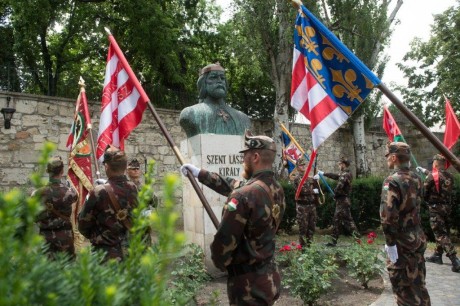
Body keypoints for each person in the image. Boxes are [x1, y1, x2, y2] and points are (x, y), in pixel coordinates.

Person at [180, 130, 286, 305]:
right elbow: (234, 185)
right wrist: (200, 173)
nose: (243, 160)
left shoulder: (243, 196)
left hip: (248, 286)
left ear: (256, 157)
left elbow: (223, 242)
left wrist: (222, 263)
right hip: (269, 277)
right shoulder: (276, 188)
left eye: (245, 156)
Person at [380, 142, 431, 305]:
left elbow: (388, 217)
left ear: (394, 158)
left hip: (402, 243)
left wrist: (390, 243)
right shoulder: (417, 178)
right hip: (417, 239)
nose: (387, 159)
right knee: (419, 287)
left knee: (405, 292)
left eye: (388, 156)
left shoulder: (392, 181)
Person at [78, 146, 138, 261]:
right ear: (125, 167)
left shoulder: (99, 191)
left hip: (104, 254)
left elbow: (83, 224)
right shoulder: (134, 188)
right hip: (128, 253)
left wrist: (98, 237)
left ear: (106, 166)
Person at [179, 63, 252, 138]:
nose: (219, 81)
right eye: (213, 77)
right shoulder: (190, 113)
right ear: (203, 83)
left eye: (222, 78)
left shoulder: (243, 118)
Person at [417, 154, 460, 273]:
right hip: (446, 207)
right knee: (444, 231)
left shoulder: (432, 176)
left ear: (435, 163)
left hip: (436, 208)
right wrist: (426, 172)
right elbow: (438, 178)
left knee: (440, 234)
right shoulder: (450, 176)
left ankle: (454, 259)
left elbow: (424, 192)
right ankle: (437, 255)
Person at [33, 156, 78, 259]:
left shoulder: (37, 193)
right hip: (65, 238)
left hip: (45, 239)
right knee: (66, 270)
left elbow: (33, 216)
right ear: (62, 171)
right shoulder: (70, 192)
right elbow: (75, 198)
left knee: (45, 271)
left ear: (47, 171)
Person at [315, 157, 358, 246]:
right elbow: (335, 176)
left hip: (342, 201)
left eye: (339, 164)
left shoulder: (345, 174)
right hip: (342, 200)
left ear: (343, 164)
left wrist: (335, 194)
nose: (339, 166)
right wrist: (323, 174)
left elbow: (340, 186)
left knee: (343, 221)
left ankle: (356, 239)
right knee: (341, 221)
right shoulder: (345, 174)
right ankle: (335, 241)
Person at [292, 156, 320, 247]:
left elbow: (317, 189)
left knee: (311, 227)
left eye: (304, 165)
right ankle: (303, 248)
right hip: (302, 207)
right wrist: (313, 191)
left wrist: (316, 181)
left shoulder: (309, 178)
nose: (303, 167)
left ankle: (310, 247)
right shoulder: (296, 179)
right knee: (303, 228)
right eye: (301, 165)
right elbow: (302, 191)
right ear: (297, 167)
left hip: (311, 205)